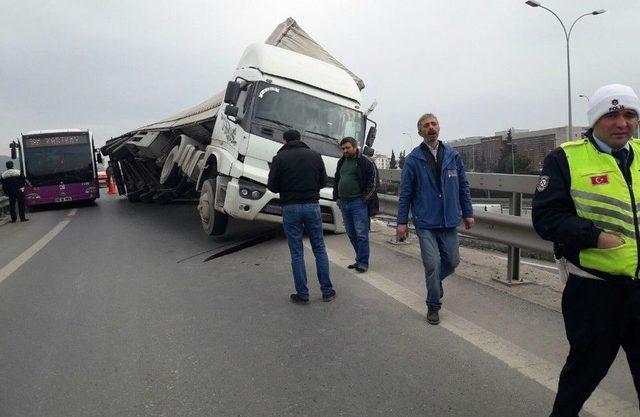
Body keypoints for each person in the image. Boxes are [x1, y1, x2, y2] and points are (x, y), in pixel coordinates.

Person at [532, 84, 640, 417]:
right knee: (582, 376)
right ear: (595, 120)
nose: (622, 123)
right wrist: (593, 236)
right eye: (612, 114)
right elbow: (546, 217)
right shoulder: (565, 158)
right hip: (594, 292)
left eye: (629, 115)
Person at [396, 113, 474, 325]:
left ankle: (434, 284)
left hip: (449, 219)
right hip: (425, 221)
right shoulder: (413, 159)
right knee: (432, 264)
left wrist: (468, 213)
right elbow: (405, 193)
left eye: (434, 124)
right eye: (426, 126)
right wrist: (401, 222)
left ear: (439, 128)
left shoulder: (452, 155)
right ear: (420, 131)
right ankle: (433, 305)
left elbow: (463, 186)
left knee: (452, 262)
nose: (431, 128)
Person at [267, 129, 336, 303]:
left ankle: (303, 294)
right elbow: (323, 182)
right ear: (300, 139)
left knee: (296, 252)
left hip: (290, 207)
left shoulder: (279, 158)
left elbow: (272, 186)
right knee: (319, 249)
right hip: (312, 206)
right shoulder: (315, 155)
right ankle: (327, 291)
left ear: (285, 141)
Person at [333, 137, 379, 273]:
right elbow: (337, 180)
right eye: (343, 149)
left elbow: (374, 182)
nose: (345, 150)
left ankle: (363, 262)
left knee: (361, 234)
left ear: (354, 147)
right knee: (351, 233)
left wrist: (364, 199)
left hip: (358, 203)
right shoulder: (341, 161)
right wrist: (337, 197)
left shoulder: (365, 162)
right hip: (344, 203)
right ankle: (359, 258)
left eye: (347, 148)